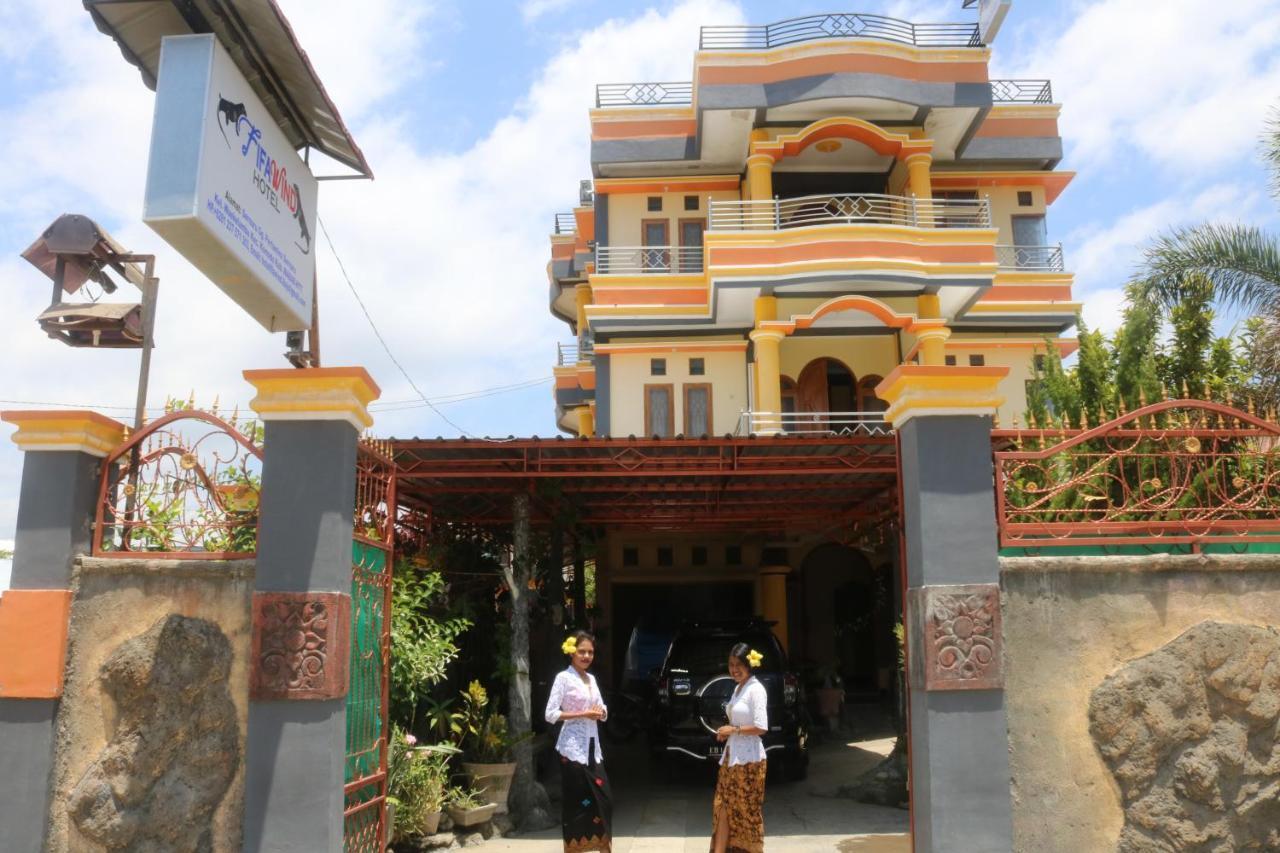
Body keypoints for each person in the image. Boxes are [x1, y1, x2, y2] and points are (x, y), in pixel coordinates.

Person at [544, 629, 612, 853]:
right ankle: (574, 849)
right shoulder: (563, 678)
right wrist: (582, 714)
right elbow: (551, 714)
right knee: (577, 803)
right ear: (572, 653)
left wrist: (600, 713)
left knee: (604, 800)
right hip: (571, 749)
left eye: (590, 652)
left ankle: (603, 846)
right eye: (582, 651)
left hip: (593, 748)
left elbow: (603, 709)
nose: (586, 656)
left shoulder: (591, 679)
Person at [710, 642, 768, 853]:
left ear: (749, 665)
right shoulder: (738, 688)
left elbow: (762, 727)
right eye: (731, 664)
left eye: (738, 665)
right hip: (731, 757)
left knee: (746, 813)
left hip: (749, 761)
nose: (734, 669)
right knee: (722, 808)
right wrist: (727, 732)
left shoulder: (756, 690)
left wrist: (733, 730)